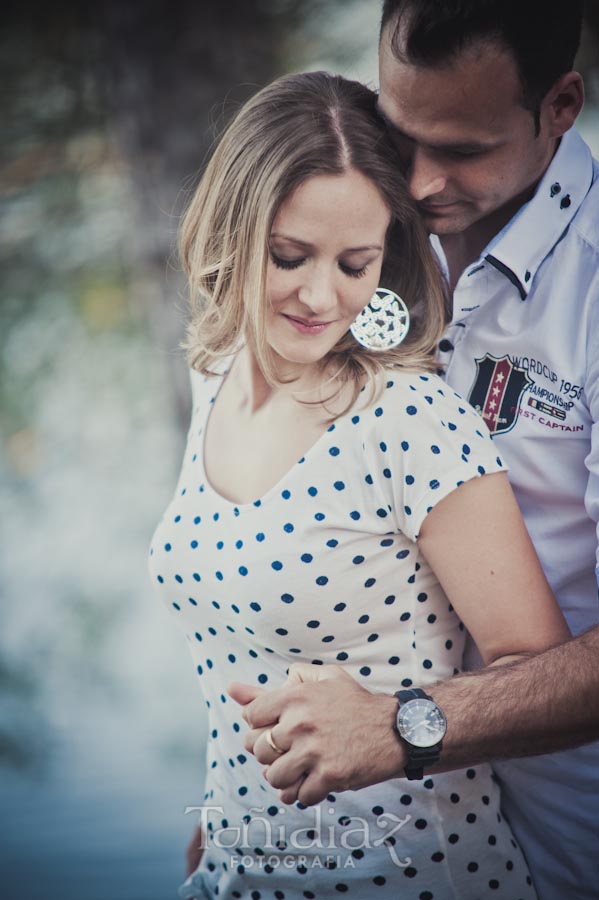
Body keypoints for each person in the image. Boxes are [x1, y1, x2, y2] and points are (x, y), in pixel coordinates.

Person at [150, 69, 571, 900]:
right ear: (234, 229)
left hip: (412, 876)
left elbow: (544, 674)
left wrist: (397, 724)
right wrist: (221, 811)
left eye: (355, 263)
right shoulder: (214, 374)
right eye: (288, 256)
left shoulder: (409, 419)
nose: (320, 297)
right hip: (239, 872)